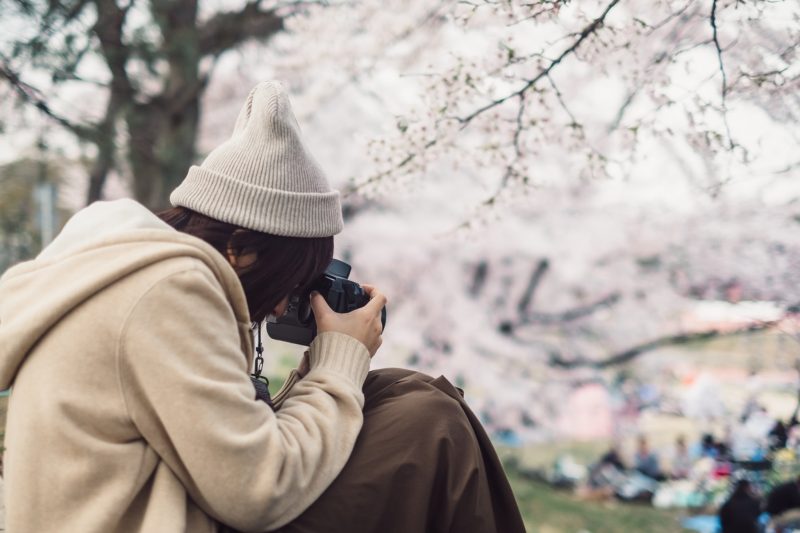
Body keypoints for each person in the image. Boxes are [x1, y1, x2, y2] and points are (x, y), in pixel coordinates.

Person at [0, 82, 525, 533]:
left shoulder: (126, 265)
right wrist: (338, 359)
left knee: (401, 389)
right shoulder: (166, 290)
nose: (278, 305)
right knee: (428, 423)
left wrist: (329, 367)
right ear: (242, 246)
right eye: (288, 280)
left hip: (173, 504)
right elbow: (256, 489)